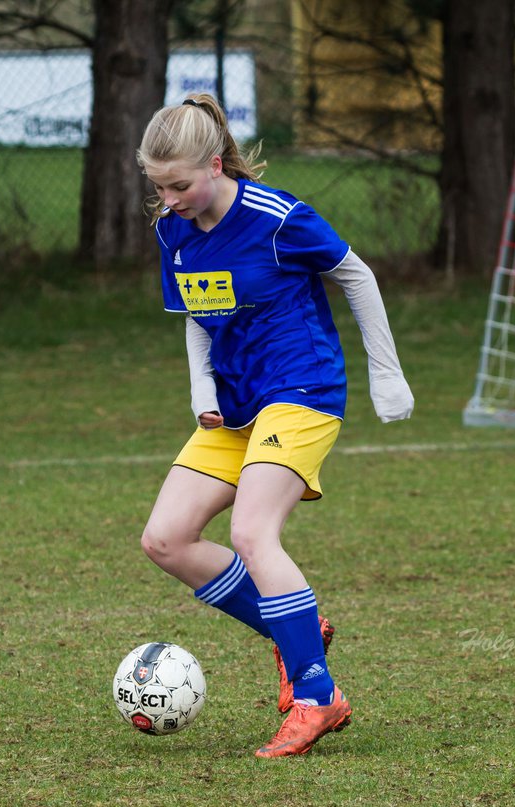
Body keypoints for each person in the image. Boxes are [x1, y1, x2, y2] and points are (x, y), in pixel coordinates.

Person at [135, 94, 413, 757]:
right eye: (158, 186)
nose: (169, 198)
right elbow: (199, 317)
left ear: (213, 162)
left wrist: (386, 372)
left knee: (253, 531)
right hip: (235, 404)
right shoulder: (173, 228)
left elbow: (357, 275)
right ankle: (298, 633)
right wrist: (203, 391)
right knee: (166, 539)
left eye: (179, 184)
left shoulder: (277, 217)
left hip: (302, 388)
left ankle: (318, 696)